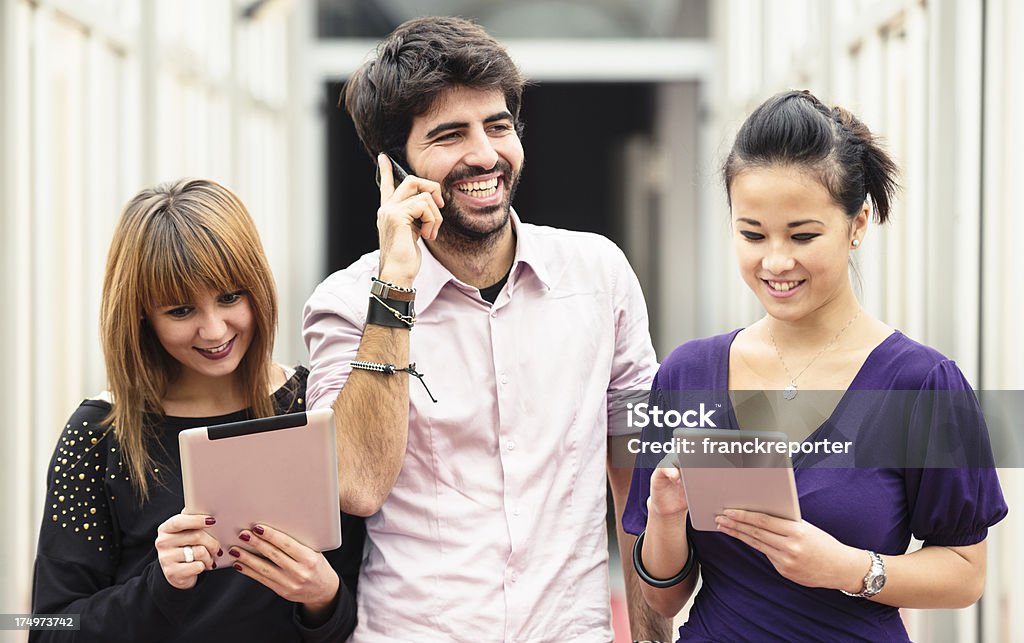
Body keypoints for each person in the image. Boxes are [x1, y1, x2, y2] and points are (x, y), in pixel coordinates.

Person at [302, 15, 671, 642]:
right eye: (450, 134)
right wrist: (394, 286)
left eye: (498, 126)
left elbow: (637, 481)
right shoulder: (347, 302)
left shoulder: (599, 275)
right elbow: (356, 484)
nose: (484, 154)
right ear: (392, 168)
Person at [623, 90, 1008, 641]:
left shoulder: (921, 383)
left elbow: (966, 576)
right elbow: (664, 596)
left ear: (858, 224)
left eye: (803, 235)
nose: (776, 261)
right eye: (751, 234)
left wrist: (849, 569)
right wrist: (664, 517)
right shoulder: (687, 375)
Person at [31, 179, 359, 642]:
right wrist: (158, 585)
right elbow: (44, 628)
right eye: (181, 310)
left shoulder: (313, 405)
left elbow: (352, 616)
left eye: (230, 297)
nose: (213, 330)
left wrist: (324, 596)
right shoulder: (98, 434)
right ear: (142, 313)